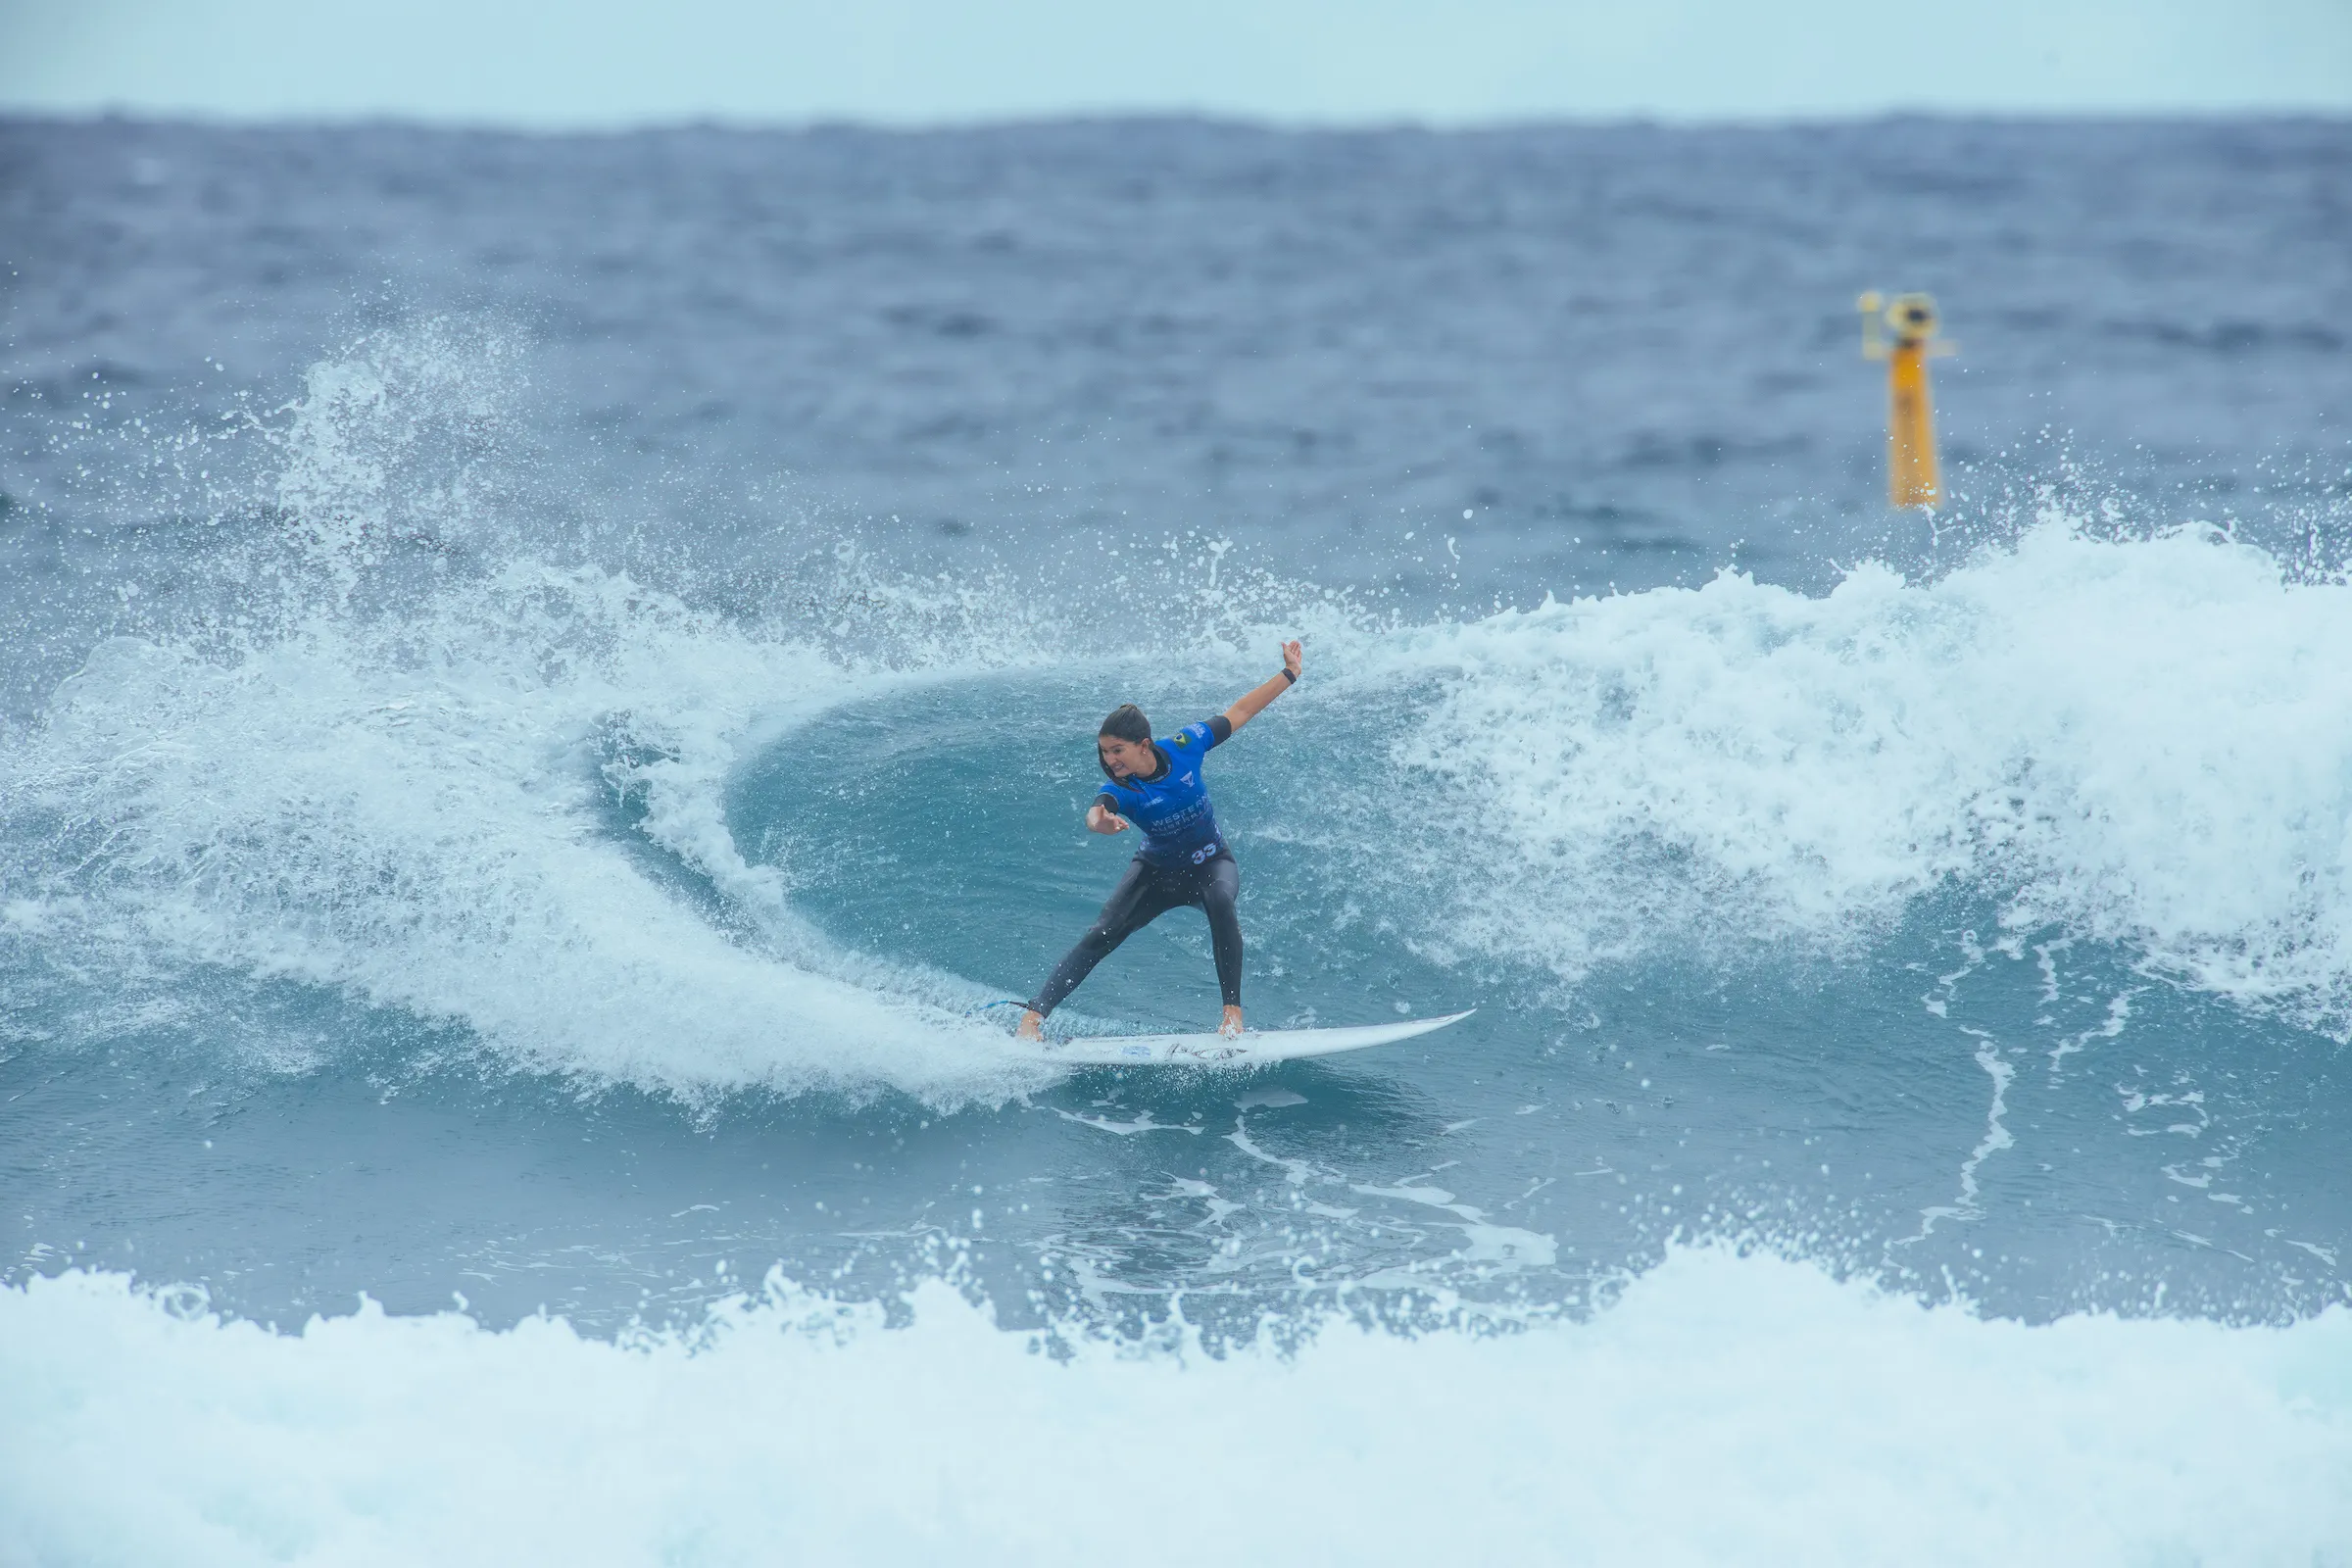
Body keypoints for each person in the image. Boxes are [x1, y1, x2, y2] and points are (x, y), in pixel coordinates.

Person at [1017, 640, 1304, 1041]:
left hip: (1210, 862)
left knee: (1221, 900)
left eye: (1117, 750)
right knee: (1102, 934)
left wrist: (1290, 674)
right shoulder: (1123, 789)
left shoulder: (1187, 747)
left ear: (1144, 745)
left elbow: (1238, 712)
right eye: (1104, 752)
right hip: (1155, 872)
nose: (1110, 760)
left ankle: (1232, 1016)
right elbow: (1099, 808)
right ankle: (1033, 1017)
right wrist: (1098, 821)